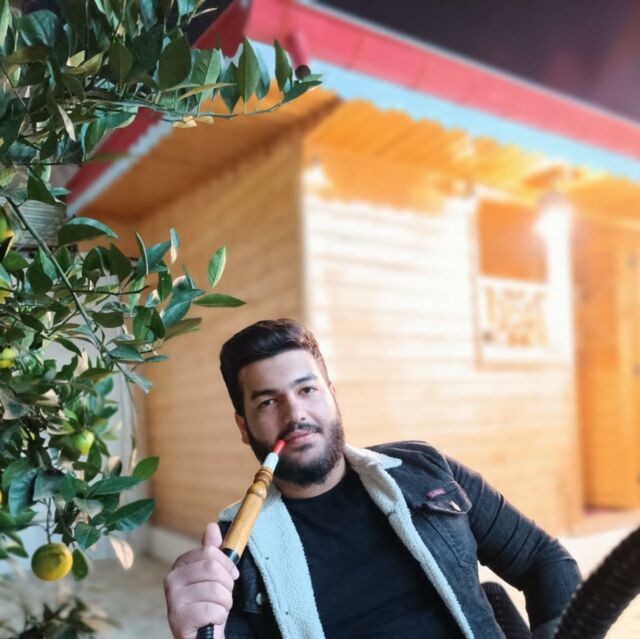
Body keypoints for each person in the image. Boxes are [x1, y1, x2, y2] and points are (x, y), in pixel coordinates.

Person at [164, 319, 581, 639]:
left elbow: (544, 561)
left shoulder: (424, 468)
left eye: (307, 390)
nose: (295, 415)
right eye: (269, 402)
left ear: (332, 395)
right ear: (244, 427)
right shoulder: (232, 555)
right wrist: (199, 632)